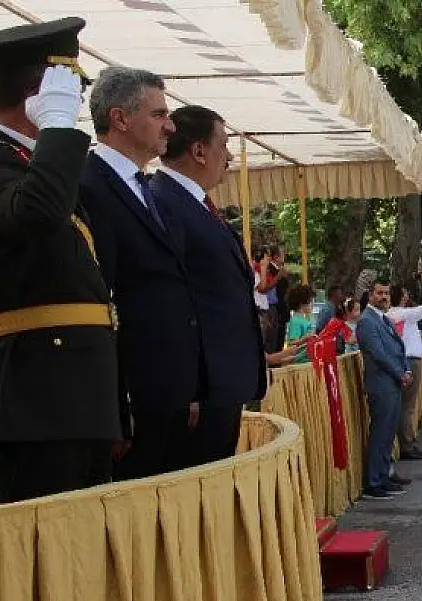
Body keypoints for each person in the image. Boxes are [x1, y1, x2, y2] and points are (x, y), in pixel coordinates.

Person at [0, 18, 124, 502]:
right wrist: (56, 126)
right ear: (39, 93)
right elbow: (38, 213)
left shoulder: (39, 167)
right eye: (69, 88)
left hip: (79, 393)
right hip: (37, 400)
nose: (77, 103)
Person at [81, 66, 209, 479]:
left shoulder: (142, 185)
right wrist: (118, 407)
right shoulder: (90, 186)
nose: (171, 126)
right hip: (138, 398)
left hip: (169, 390)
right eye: (158, 114)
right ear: (120, 118)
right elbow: (105, 301)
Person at [149, 104, 267, 465]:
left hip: (223, 381)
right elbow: (175, 302)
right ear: (199, 150)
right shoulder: (164, 201)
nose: (230, 155)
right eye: (224, 143)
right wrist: (190, 388)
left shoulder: (194, 203)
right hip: (203, 387)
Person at [357, 277, 413, 500]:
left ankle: (384, 473)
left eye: (387, 293)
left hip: (393, 382)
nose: (384, 297)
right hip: (381, 384)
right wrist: (400, 373)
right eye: (379, 293)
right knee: (381, 433)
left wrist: (406, 369)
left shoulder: (383, 319)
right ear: (370, 295)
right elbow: (379, 354)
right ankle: (374, 482)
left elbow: (398, 348)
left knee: (389, 433)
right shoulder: (366, 321)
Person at [386, 270, 422, 461]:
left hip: (400, 359)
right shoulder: (405, 314)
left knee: (403, 405)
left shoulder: (390, 315)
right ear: (401, 297)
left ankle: (405, 441)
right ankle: (407, 444)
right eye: (406, 293)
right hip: (410, 360)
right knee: (407, 405)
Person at [284, 285, 316, 363]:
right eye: (310, 301)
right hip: (300, 362)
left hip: (307, 360)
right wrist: (304, 339)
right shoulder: (295, 321)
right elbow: (291, 343)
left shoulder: (305, 319)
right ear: (302, 303)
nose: (312, 304)